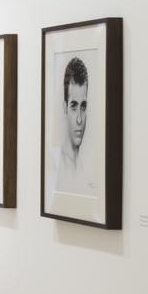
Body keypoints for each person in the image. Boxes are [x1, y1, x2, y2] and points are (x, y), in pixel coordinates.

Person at [54, 56, 94, 193]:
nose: (79, 119)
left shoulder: (86, 170)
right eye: (73, 106)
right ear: (65, 107)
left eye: (83, 107)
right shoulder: (55, 167)